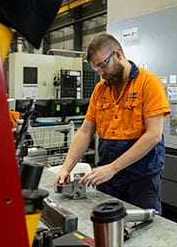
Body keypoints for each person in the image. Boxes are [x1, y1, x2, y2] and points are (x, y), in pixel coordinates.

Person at [54, 33, 170, 213]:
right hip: (108, 179)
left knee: (144, 234)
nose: (100, 73)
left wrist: (113, 168)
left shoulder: (149, 84)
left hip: (141, 180)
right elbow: (85, 132)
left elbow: (153, 135)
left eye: (102, 65)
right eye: (96, 69)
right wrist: (65, 168)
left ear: (118, 55)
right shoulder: (100, 90)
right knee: (106, 228)